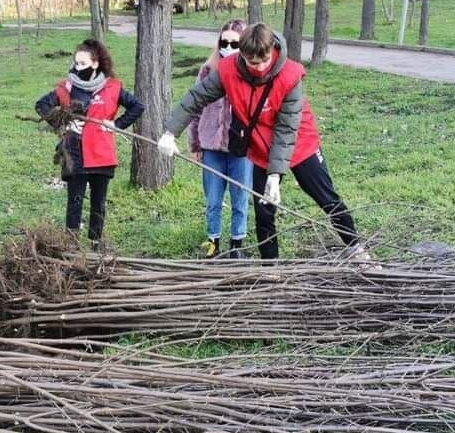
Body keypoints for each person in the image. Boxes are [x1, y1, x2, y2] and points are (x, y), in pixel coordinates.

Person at [158, 23, 373, 264]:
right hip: (260, 149)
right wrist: (170, 132)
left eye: (265, 61)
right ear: (241, 54)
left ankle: (356, 248)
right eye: (253, 63)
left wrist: (275, 174)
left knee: (326, 197)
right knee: (263, 211)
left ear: (272, 50)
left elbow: (286, 129)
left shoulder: (290, 76)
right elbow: (197, 96)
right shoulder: (228, 70)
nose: (260, 68)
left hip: (300, 144)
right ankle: (271, 266)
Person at [35, 39, 144, 249]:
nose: (78, 68)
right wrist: (63, 123)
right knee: (74, 201)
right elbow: (41, 105)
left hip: (102, 154)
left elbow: (137, 107)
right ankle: (72, 245)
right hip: (74, 154)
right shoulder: (67, 87)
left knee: (98, 202)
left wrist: (116, 124)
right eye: (76, 63)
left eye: (83, 64)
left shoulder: (112, 87)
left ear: (95, 64)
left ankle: (95, 243)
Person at [186, 19, 252, 259]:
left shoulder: (251, 73)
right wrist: (195, 143)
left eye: (234, 43)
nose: (228, 47)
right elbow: (194, 107)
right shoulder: (208, 70)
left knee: (240, 198)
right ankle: (213, 244)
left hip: (240, 148)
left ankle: (237, 245)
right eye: (224, 42)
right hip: (211, 146)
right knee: (213, 199)